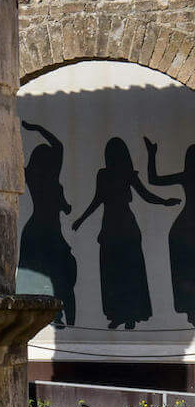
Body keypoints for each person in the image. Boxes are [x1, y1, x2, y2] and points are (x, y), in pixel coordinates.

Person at [68, 135, 170, 329]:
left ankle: (130, 315)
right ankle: (118, 315)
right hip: (112, 227)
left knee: (126, 273)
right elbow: (98, 199)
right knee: (114, 273)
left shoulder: (127, 173)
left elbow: (146, 195)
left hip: (125, 227)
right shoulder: (104, 174)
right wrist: (81, 219)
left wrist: (164, 202)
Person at [18, 121, 78, 325]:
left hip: (35, 230)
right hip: (49, 232)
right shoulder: (51, 177)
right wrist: (37, 128)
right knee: (60, 278)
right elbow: (59, 146)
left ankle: (54, 317)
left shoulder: (32, 176)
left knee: (42, 277)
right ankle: (60, 317)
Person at [143, 135, 195, 325]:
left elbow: (153, 179)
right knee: (186, 270)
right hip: (183, 230)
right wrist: (151, 154)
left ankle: (190, 310)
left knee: (185, 270)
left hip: (182, 228)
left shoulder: (185, 175)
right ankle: (190, 310)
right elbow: (154, 180)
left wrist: (152, 155)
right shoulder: (186, 175)